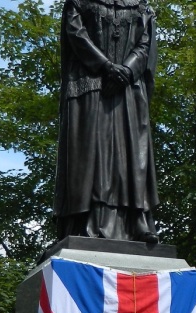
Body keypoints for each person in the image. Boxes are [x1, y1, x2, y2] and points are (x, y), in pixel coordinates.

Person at [53, 0, 160, 244]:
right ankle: (86, 222)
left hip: (128, 90)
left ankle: (136, 221)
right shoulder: (79, 2)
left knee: (131, 158)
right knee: (91, 157)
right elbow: (76, 35)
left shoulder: (141, 7)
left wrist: (127, 70)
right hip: (89, 86)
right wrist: (106, 67)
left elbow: (145, 43)